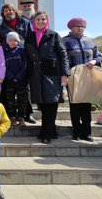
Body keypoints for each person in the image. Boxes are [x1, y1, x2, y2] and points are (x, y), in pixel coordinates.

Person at [24, 11, 70, 144]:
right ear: (34, 21)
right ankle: (51, 131)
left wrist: (65, 74)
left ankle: (46, 134)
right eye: (38, 19)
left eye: (43, 19)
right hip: (36, 75)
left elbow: (63, 55)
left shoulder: (53, 35)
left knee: (51, 105)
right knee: (42, 105)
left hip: (52, 75)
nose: (40, 22)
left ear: (47, 20)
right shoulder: (30, 37)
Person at [62, 17, 101, 142]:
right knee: (75, 104)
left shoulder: (89, 40)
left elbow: (98, 56)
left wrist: (94, 61)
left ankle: (87, 132)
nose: (80, 28)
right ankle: (77, 132)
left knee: (86, 104)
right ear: (71, 27)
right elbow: (63, 59)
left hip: (88, 77)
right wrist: (65, 74)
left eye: (82, 26)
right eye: (78, 26)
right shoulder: (65, 41)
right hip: (73, 76)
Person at [0, 3, 35, 124]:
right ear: (3, 14)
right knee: (7, 92)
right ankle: (9, 115)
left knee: (25, 91)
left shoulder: (25, 23)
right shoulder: (1, 27)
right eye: (6, 11)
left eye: (10, 10)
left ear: (15, 11)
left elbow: (31, 39)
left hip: (23, 57)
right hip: (7, 59)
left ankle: (27, 114)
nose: (9, 12)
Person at [3, 32, 28, 127]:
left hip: (21, 81)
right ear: (7, 41)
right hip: (9, 81)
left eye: (15, 40)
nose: (13, 42)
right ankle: (12, 117)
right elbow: (4, 66)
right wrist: (11, 77)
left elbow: (25, 65)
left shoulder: (22, 51)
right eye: (10, 40)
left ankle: (21, 117)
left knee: (22, 100)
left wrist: (18, 77)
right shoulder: (5, 52)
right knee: (10, 100)